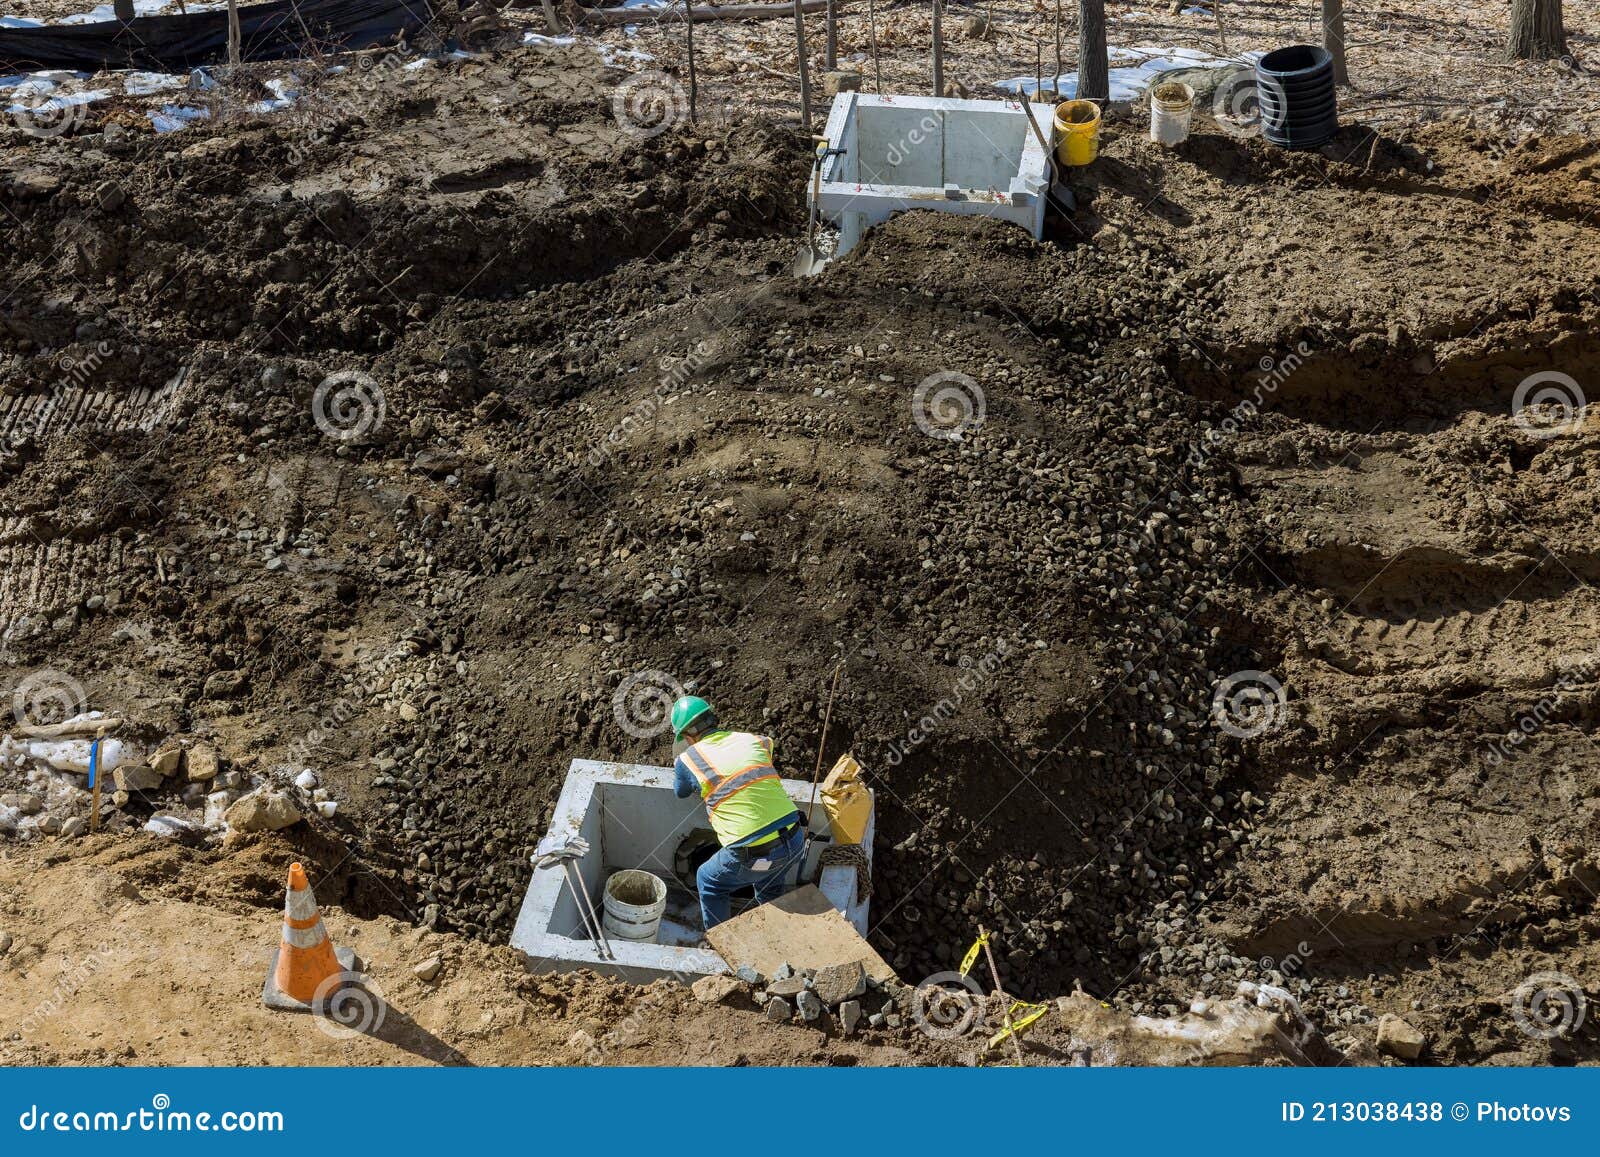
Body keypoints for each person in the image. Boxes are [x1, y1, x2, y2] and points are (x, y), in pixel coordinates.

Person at [670, 695, 804, 930]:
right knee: (770, 882)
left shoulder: (688, 759)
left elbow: (681, 791)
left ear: (687, 736)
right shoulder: (753, 739)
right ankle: (776, 934)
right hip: (794, 842)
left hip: (754, 854)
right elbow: (766, 748)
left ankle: (721, 943)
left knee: (709, 880)